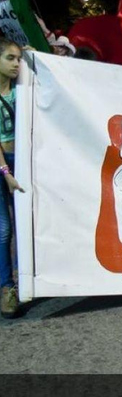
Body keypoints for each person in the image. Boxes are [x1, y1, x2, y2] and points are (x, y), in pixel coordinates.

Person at [0, 39, 25, 319]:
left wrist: (35, 59)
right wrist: (6, 172)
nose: (16, 63)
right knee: (4, 229)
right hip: (3, 166)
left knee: (24, 226)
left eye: (18, 58)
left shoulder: (22, 90)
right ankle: (7, 287)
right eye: (10, 58)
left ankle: (26, 281)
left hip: (22, 162)